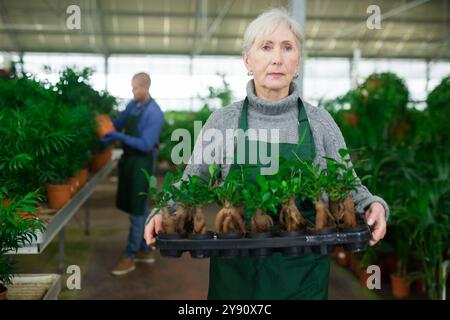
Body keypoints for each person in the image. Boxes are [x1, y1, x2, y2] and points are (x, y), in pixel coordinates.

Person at [144, 8, 388, 299]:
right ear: (248, 61)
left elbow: (349, 186)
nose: (277, 58)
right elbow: (192, 182)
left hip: (302, 273)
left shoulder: (319, 123)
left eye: (287, 47)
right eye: (266, 47)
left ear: (297, 61)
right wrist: (163, 212)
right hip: (237, 273)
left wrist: (374, 205)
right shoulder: (223, 121)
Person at [102, 72, 164, 276]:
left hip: (144, 165)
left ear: (146, 87)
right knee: (137, 209)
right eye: (132, 87)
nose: (133, 91)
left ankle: (129, 255)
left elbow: (146, 145)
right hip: (130, 162)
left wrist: (118, 136)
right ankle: (145, 250)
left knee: (138, 210)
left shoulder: (154, 113)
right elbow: (118, 124)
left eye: (135, 87)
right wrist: (104, 131)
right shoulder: (132, 105)